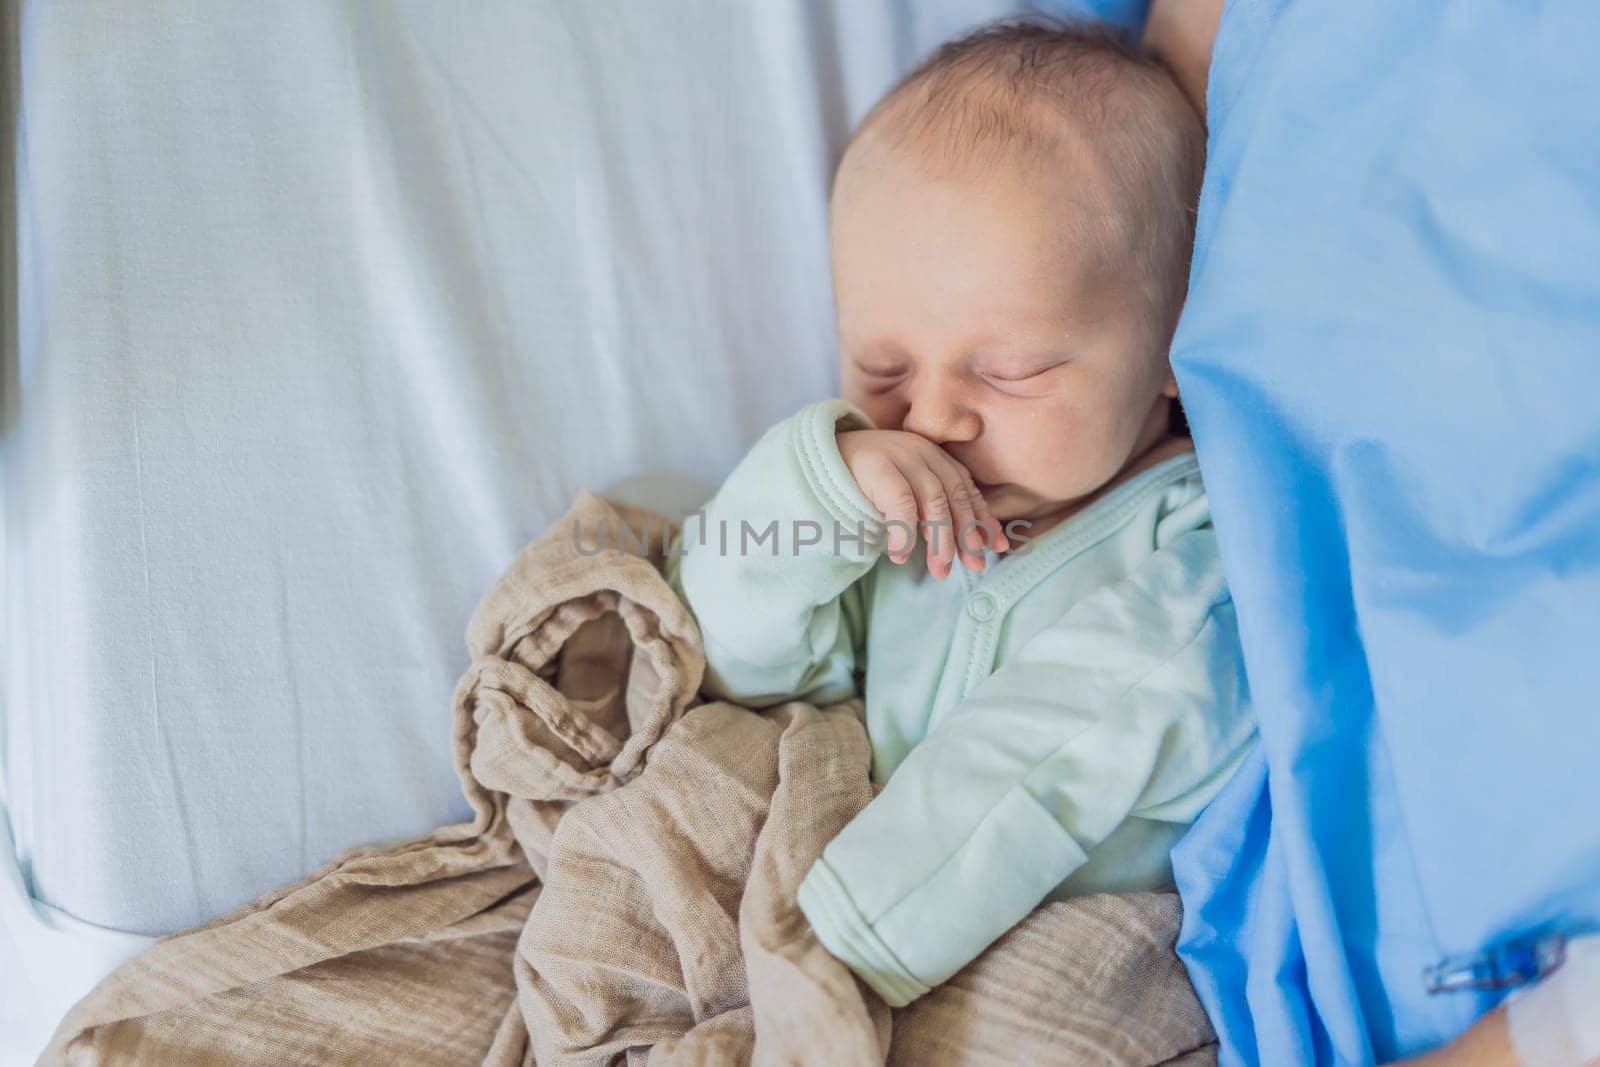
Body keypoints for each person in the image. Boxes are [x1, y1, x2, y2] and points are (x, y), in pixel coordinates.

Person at [665, 19, 1257, 1008]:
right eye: (884, 367)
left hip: (1052, 960)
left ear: (1172, 344)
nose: (933, 415)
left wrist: (846, 942)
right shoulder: (890, 509)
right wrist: (826, 487)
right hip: (834, 909)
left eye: (1011, 369)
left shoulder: (1202, 553)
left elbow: (1077, 726)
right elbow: (728, 657)